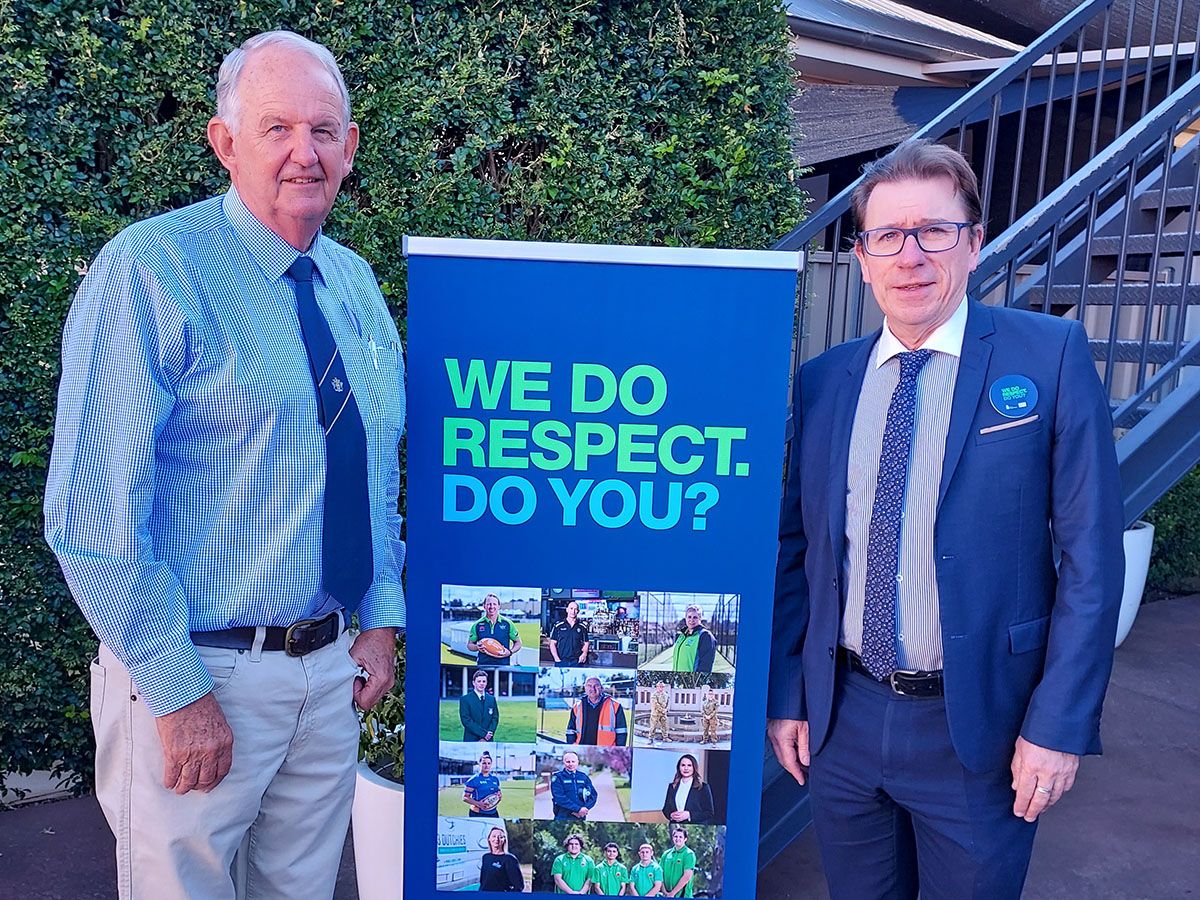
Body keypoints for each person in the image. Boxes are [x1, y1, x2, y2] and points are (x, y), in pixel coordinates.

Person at [42, 30, 406, 900]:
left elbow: (373, 467)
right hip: (201, 673)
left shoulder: (354, 285)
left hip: (326, 676)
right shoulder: (153, 270)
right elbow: (92, 513)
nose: (303, 153)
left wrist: (380, 613)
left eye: (324, 131)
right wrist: (176, 690)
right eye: (275, 127)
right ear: (224, 140)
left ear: (350, 148)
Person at [766, 139, 1124, 900]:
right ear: (862, 256)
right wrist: (791, 698)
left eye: (934, 231)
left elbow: (1093, 558)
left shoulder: (1049, 356)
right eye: (888, 236)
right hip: (843, 723)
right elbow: (797, 549)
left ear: (973, 241)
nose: (911, 256)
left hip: (982, 731)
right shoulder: (825, 382)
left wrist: (1058, 726)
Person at [566, 676, 628, 746]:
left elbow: (622, 731)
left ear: (601, 688)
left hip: (606, 751)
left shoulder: (615, 705)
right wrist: (572, 746)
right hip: (582, 749)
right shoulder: (577, 707)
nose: (592, 688)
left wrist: (618, 751)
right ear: (585, 688)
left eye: (596, 685)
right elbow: (570, 730)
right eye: (589, 685)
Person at [467, 592, 522, 666]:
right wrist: (477, 647)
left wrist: (510, 652)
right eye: (489, 604)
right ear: (484, 606)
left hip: (503, 666)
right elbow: (470, 645)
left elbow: (518, 643)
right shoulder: (477, 625)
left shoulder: (508, 623)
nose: (491, 606)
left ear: (499, 606)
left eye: (494, 604)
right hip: (483, 666)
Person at [661, 754, 715, 825]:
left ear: (694, 768)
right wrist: (671, 815)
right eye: (683, 765)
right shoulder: (672, 786)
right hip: (675, 824)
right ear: (679, 768)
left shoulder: (703, 787)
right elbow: (666, 808)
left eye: (689, 765)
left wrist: (689, 815)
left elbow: (709, 813)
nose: (686, 768)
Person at [551, 750, 596, 820]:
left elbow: (593, 795)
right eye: (568, 762)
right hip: (563, 815)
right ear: (564, 763)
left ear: (577, 762)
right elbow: (559, 797)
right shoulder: (558, 777)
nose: (571, 764)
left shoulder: (583, 777)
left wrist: (585, 808)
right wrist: (577, 809)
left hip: (580, 816)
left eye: (573, 761)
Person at [670, 606, 715, 672]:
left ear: (700, 618)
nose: (691, 620)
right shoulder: (682, 636)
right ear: (685, 618)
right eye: (689, 617)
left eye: (695, 617)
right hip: (677, 678)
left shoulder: (705, 635)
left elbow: (706, 665)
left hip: (691, 680)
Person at [479, 825, 524, 892]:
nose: (496, 839)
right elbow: (483, 881)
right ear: (489, 838)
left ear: (504, 840)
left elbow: (519, 886)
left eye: (500, 837)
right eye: (494, 836)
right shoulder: (486, 857)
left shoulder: (509, 859)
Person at [460, 669, 500, 741]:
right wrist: (483, 734)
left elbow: (495, 718)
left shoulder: (491, 699)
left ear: (486, 683)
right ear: (473, 683)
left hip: (488, 739)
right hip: (471, 739)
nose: (481, 683)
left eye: (484, 681)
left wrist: (489, 734)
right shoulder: (465, 699)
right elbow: (466, 720)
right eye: (479, 681)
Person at [549, 600, 591, 666]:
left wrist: (584, 653)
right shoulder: (558, 626)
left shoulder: (582, 627)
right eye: (571, 608)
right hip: (561, 661)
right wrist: (556, 659)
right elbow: (552, 643)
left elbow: (586, 642)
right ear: (567, 610)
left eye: (575, 609)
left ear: (578, 611)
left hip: (577, 662)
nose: (573, 611)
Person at [463, 751, 502, 818]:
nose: (487, 765)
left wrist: (499, 796)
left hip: (494, 813)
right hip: (477, 814)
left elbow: (497, 793)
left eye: (489, 763)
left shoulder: (495, 779)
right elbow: (465, 797)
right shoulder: (474, 779)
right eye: (484, 763)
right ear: (479, 764)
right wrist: (478, 804)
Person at [659, 828, 696, 899]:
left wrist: (673, 893)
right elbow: (659, 874)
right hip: (666, 895)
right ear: (673, 838)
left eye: (680, 837)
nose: (677, 839)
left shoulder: (689, 854)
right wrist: (664, 891)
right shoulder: (666, 854)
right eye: (676, 836)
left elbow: (687, 876)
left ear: (685, 839)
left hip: (683, 896)